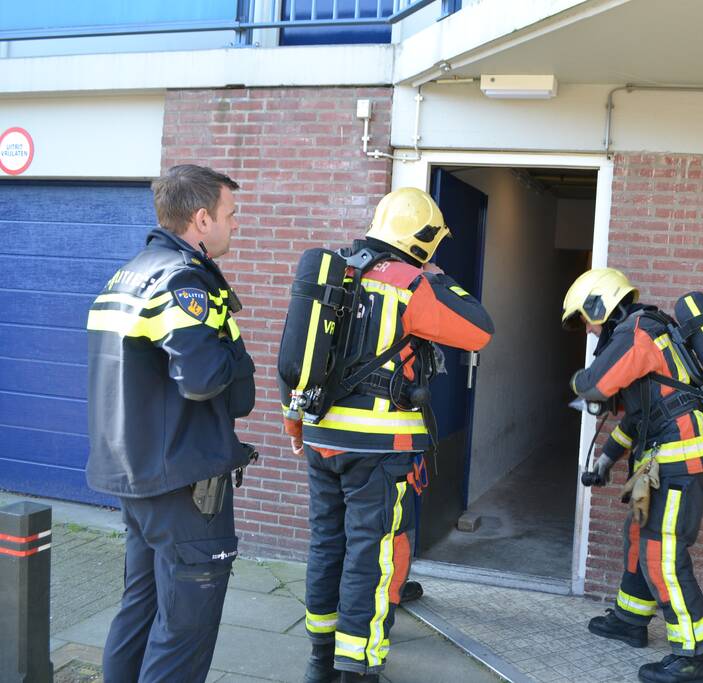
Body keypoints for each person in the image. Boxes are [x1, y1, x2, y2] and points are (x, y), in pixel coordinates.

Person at [281, 187, 494, 683]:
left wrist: (294, 422)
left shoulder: (333, 272)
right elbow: (479, 329)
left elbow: (301, 358)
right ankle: (359, 668)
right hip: (380, 449)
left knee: (326, 545)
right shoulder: (409, 281)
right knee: (370, 556)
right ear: (421, 240)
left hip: (319, 437)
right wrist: (440, 280)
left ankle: (320, 660)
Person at [86, 164, 257, 682]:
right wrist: (236, 348)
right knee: (184, 629)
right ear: (202, 219)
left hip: (137, 476)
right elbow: (204, 378)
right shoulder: (183, 281)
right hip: (183, 484)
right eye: (230, 214)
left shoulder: (129, 272)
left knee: (138, 612)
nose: (236, 225)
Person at [563, 268, 703, 683]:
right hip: (665, 456)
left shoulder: (637, 333)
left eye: (586, 319)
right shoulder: (643, 331)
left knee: (663, 553)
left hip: (680, 461)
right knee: (639, 538)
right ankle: (631, 620)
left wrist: (577, 381)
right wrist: (606, 459)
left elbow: (595, 384)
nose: (589, 330)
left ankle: (692, 658)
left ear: (602, 304)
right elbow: (640, 417)